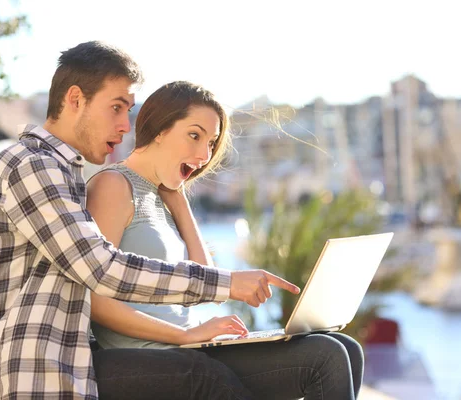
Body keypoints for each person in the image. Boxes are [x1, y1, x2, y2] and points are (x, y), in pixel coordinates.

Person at [0, 41, 300, 399]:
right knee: (206, 377)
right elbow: (103, 270)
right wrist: (226, 283)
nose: (126, 126)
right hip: (27, 378)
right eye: (116, 108)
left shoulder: (61, 173)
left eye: (129, 111)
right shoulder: (32, 167)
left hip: (60, 368)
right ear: (75, 99)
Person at [86, 81, 365, 399]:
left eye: (211, 142)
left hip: (190, 344)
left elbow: (204, 286)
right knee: (324, 357)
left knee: (345, 349)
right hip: (155, 357)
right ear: (159, 129)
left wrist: (179, 201)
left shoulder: (163, 193)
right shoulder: (113, 185)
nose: (204, 155)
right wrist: (184, 334)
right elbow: (97, 301)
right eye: (194, 135)